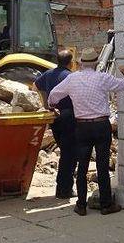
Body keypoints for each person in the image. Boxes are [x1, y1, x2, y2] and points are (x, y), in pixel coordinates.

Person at [48, 47, 124, 216]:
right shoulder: (102, 78)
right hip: (101, 126)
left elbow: (53, 96)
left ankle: (81, 205)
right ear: (95, 63)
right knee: (102, 165)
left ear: (80, 63)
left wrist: (52, 106)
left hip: (82, 127)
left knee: (83, 166)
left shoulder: (72, 79)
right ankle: (106, 205)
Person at [34, 50, 77, 199]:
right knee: (69, 154)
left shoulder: (48, 74)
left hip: (55, 118)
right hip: (68, 117)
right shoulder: (70, 77)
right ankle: (64, 190)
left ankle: (64, 188)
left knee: (66, 151)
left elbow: (36, 86)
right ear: (70, 62)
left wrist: (46, 104)